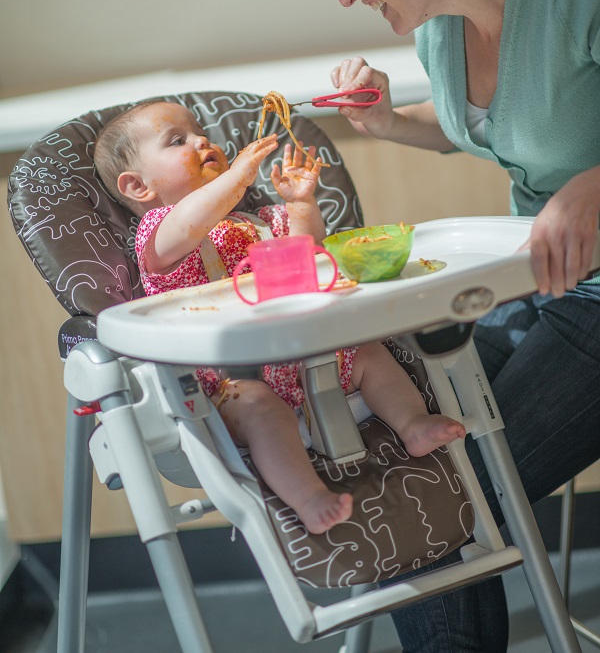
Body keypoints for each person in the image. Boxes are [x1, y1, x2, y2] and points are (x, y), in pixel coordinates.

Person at [295, 0, 600, 650]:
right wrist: (392, 123)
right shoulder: (436, 27)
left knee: (458, 499)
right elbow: (495, 121)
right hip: (536, 281)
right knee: (406, 476)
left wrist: (595, 186)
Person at [93, 98, 466, 536]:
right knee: (258, 406)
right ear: (138, 187)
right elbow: (190, 224)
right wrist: (238, 176)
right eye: (178, 141)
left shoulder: (262, 220)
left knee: (369, 352)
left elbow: (312, 257)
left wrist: (302, 204)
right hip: (230, 386)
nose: (201, 141)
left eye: (200, 133)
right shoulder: (159, 232)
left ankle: (412, 424)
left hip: (312, 363)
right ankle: (308, 496)